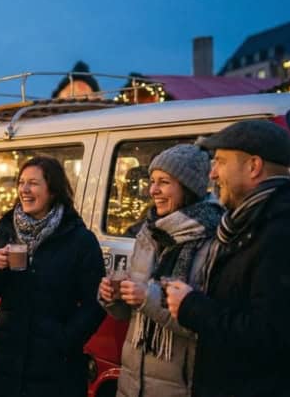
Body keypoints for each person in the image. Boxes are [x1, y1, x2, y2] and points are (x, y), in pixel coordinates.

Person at [166, 120, 290, 396]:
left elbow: (269, 335)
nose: (213, 173)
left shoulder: (286, 234)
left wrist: (192, 307)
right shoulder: (252, 223)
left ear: (253, 166)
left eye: (220, 162)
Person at [0, 155, 106, 397]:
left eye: (33, 183)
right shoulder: (6, 229)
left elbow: (96, 301)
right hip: (5, 359)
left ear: (53, 190)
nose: (24, 190)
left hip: (54, 368)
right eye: (21, 182)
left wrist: (64, 340)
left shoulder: (79, 239)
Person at [98, 144, 223, 397]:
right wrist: (113, 297)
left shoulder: (213, 239)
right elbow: (129, 315)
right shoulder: (149, 233)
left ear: (188, 188)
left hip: (180, 385)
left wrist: (147, 298)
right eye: (152, 181)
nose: (153, 190)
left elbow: (208, 321)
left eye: (164, 182)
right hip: (132, 382)